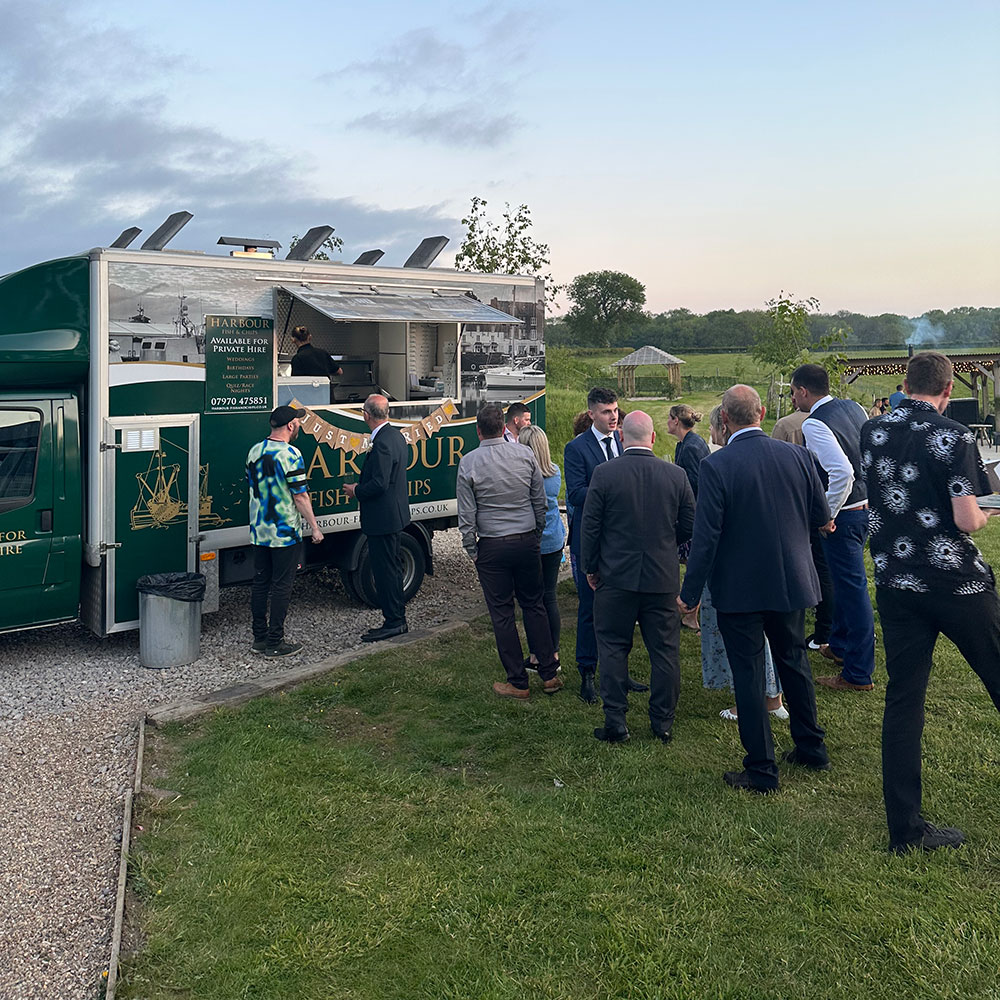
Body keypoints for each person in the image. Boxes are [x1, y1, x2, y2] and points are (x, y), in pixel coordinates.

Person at [861, 351, 1000, 853]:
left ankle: (905, 830)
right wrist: (985, 515)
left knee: (904, 701)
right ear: (947, 390)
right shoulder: (953, 435)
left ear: (904, 383)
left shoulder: (872, 430)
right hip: (955, 583)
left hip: (896, 582)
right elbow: (966, 519)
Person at [678, 385, 833, 794]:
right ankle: (812, 747)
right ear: (761, 413)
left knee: (748, 675)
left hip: (740, 587)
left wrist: (689, 594)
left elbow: (706, 538)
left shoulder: (717, 466)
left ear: (725, 420)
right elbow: (820, 515)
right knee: (794, 662)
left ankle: (762, 768)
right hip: (791, 579)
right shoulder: (799, 456)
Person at [582, 411, 695, 743]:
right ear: (653, 438)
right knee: (665, 650)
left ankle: (616, 720)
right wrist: (667, 543)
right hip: (662, 576)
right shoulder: (676, 476)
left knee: (613, 647)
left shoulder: (604, 474)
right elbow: (690, 523)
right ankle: (662, 721)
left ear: (621, 437)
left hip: (615, 576)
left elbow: (590, 527)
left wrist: (591, 567)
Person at [457, 403, 562, 699]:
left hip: (492, 543)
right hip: (526, 539)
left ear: (478, 430)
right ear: (504, 428)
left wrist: (471, 548)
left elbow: (467, 513)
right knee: (534, 605)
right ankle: (549, 673)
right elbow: (538, 501)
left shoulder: (469, 463)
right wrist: (536, 534)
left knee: (502, 613)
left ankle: (518, 681)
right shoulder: (525, 455)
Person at [791, 364, 876, 691]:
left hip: (844, 515)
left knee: (853, 590)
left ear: (803, 391)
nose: (793, 398)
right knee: (842, 583)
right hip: (864, 507)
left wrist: (826, 513)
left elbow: (842, 472)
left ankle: (858, 673)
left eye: (793, 392)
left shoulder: (814, 423)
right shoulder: (854, 407)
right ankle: (839, 646)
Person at [701, 405, 788, 723]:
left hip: (734, 565)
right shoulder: (776, 456)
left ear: (723, 426)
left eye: (713, 428)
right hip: (774, 561)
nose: (711, 434)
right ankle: (773, 697)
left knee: (743, 638)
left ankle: (751, 701)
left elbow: (711, 528)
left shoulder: (719, 464)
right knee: (770, 633)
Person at [565, 386, 648, 703]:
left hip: (623, 540)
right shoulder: (577, 449)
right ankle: (587, 672)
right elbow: (576, 494)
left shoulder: (624, 441)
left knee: (623, 609)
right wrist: (614, 492)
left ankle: (620, 672)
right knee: (590, 609)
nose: (613, 417)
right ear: (591, 414)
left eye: (615, 410)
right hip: (592, 540)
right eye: (606, 412)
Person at [246, 405, 324, 657]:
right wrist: (314, 527)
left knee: (260, 583)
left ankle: (259, 639)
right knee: (282, 585)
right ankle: (275, 642)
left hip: (259, 530)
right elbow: (300, 496)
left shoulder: (254, 451)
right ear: (290, 426)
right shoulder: (291, 454)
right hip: (284, 533)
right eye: (297, 422)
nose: (299, 425)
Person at [343, 395, 410, 642]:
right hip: (394, 514)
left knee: (385, 572)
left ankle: (394, 621)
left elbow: (380, 483)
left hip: (383, 518)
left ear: (366, 415)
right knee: (392, 568)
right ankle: (396, 618)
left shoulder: (381, 443)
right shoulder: (396, 436)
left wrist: (356, 490)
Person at [771, 394, 835, 653]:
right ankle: (826, 623)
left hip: (792, 503)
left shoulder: (784, 425)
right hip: (820, 498)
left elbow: (773, 463)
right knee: (824, 565)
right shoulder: (826, 420)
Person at [517, 424, 565, 672]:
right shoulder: (554, 471)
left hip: (532, 541)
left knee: (531, 600)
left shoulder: (524, 477)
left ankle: (536, 654)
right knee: (550, 597)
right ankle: (553, 651)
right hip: (554, 539)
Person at [667, 404, 710, 631]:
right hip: (690, 513)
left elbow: (695, 483)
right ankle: (688, 611)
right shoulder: (686, 443)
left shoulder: (691, 447)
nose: (667, 422)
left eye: (669, 418)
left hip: (693, 515)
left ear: (676, 420)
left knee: (694, 563)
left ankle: (691, 614)